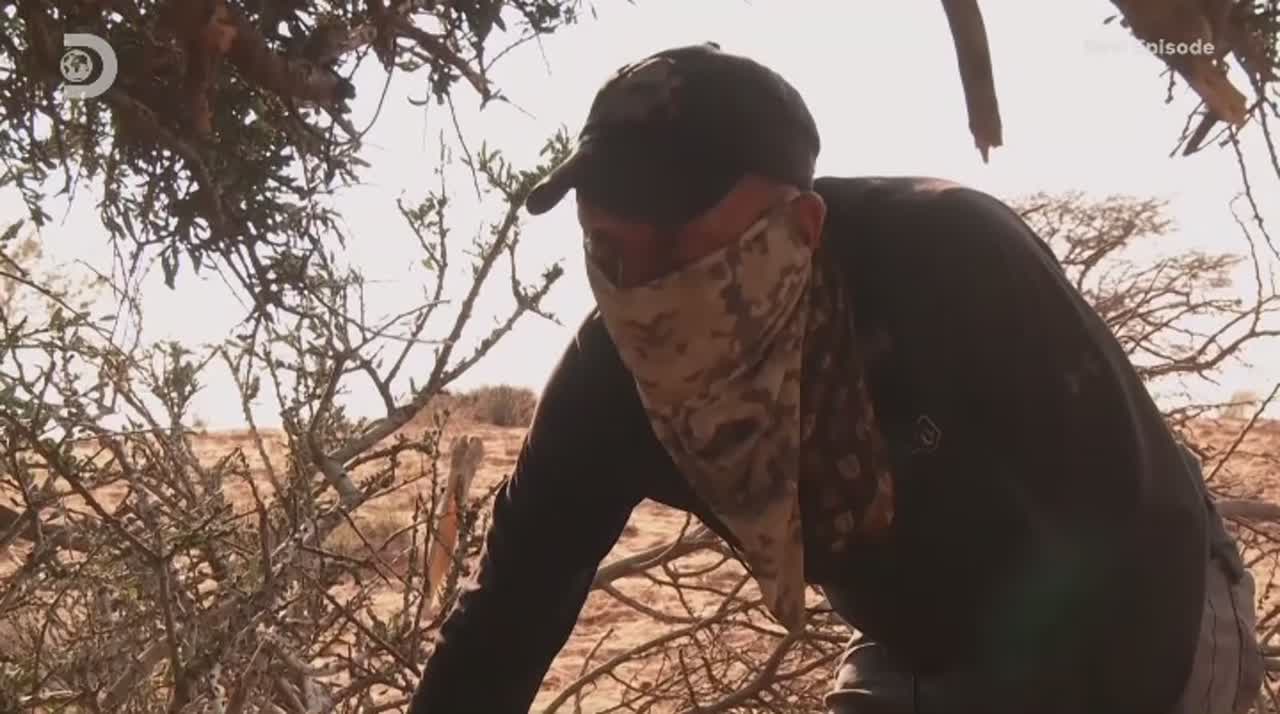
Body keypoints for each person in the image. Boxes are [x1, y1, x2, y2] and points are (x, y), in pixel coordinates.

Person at [408, 42, 1263, 713]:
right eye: (610, 248)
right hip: (918, 633)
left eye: (679, 241)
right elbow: (505, 619)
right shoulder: (609, 382)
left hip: (1151, 595)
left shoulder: (949, 259)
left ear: (803, 226)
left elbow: (1123, 529)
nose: (645, 289)